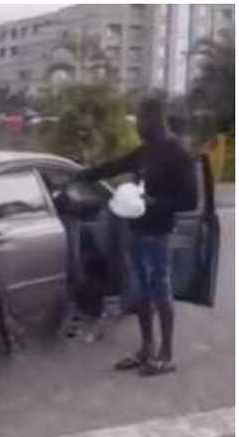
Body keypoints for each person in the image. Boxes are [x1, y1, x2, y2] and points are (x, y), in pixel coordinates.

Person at [75, 97, 198, 376]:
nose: (139, 126)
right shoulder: (144, 151)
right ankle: (146, 349)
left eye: (143, 120)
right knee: (140, 293)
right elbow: (114, 166)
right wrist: (83, 175)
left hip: (159, 234)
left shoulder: (178, 153)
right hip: (137, 231)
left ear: (158, 120)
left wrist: (155, 203)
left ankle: (166, 354)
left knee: (161, 291)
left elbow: (190, 199)